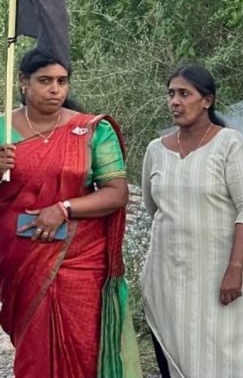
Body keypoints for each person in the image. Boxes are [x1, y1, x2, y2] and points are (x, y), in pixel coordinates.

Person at [0, 48, 140, 377]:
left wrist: (63, 208)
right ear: (23, 82)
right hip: (21, 260)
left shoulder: (91, 130)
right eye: (45, 81)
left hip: (81, 261)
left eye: (62, 81)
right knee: (35, 352)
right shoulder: (4, 131)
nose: (55, 89)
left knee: (84, 347)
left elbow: (117, 192)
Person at [141, 64, 243, 377]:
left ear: (207, 100)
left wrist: (235, 268)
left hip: (220, 276)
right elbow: (155, 209)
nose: (175, 101)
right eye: (171, 94)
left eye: (184, 94)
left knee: (223, 356)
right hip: (167, 278)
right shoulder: (155, 151)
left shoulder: (230, 143)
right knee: (177, 356)